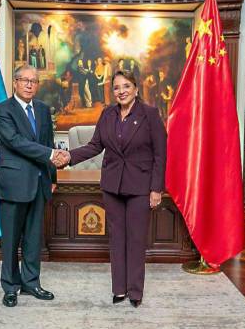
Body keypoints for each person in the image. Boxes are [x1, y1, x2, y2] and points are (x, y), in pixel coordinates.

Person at [57, 70, 167, 308]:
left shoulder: (149, 114)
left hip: (140, 186)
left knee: (136, 239)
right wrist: (68, 156)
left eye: (126, 86)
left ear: (136, 89)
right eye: (117, 87)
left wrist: (156, 189)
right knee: (116, 239)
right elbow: (95, 146)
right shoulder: (107, 114)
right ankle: (119, 289)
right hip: (112, 186)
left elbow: (160, 154)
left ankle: (135, 291)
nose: (121, 91)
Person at [0, 65, 68, 308]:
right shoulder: (2, 110)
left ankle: (31, 283)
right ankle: (10, 287)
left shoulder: (44, 110)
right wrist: (51, 154)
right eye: (24, 80)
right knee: (12, 239)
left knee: (34, 238)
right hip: (14, 184)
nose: (28, 85)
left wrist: (53, 177)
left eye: (33, 81)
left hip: (39, 183)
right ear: (15, 83)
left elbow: (48, 141)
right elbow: (15, 142)